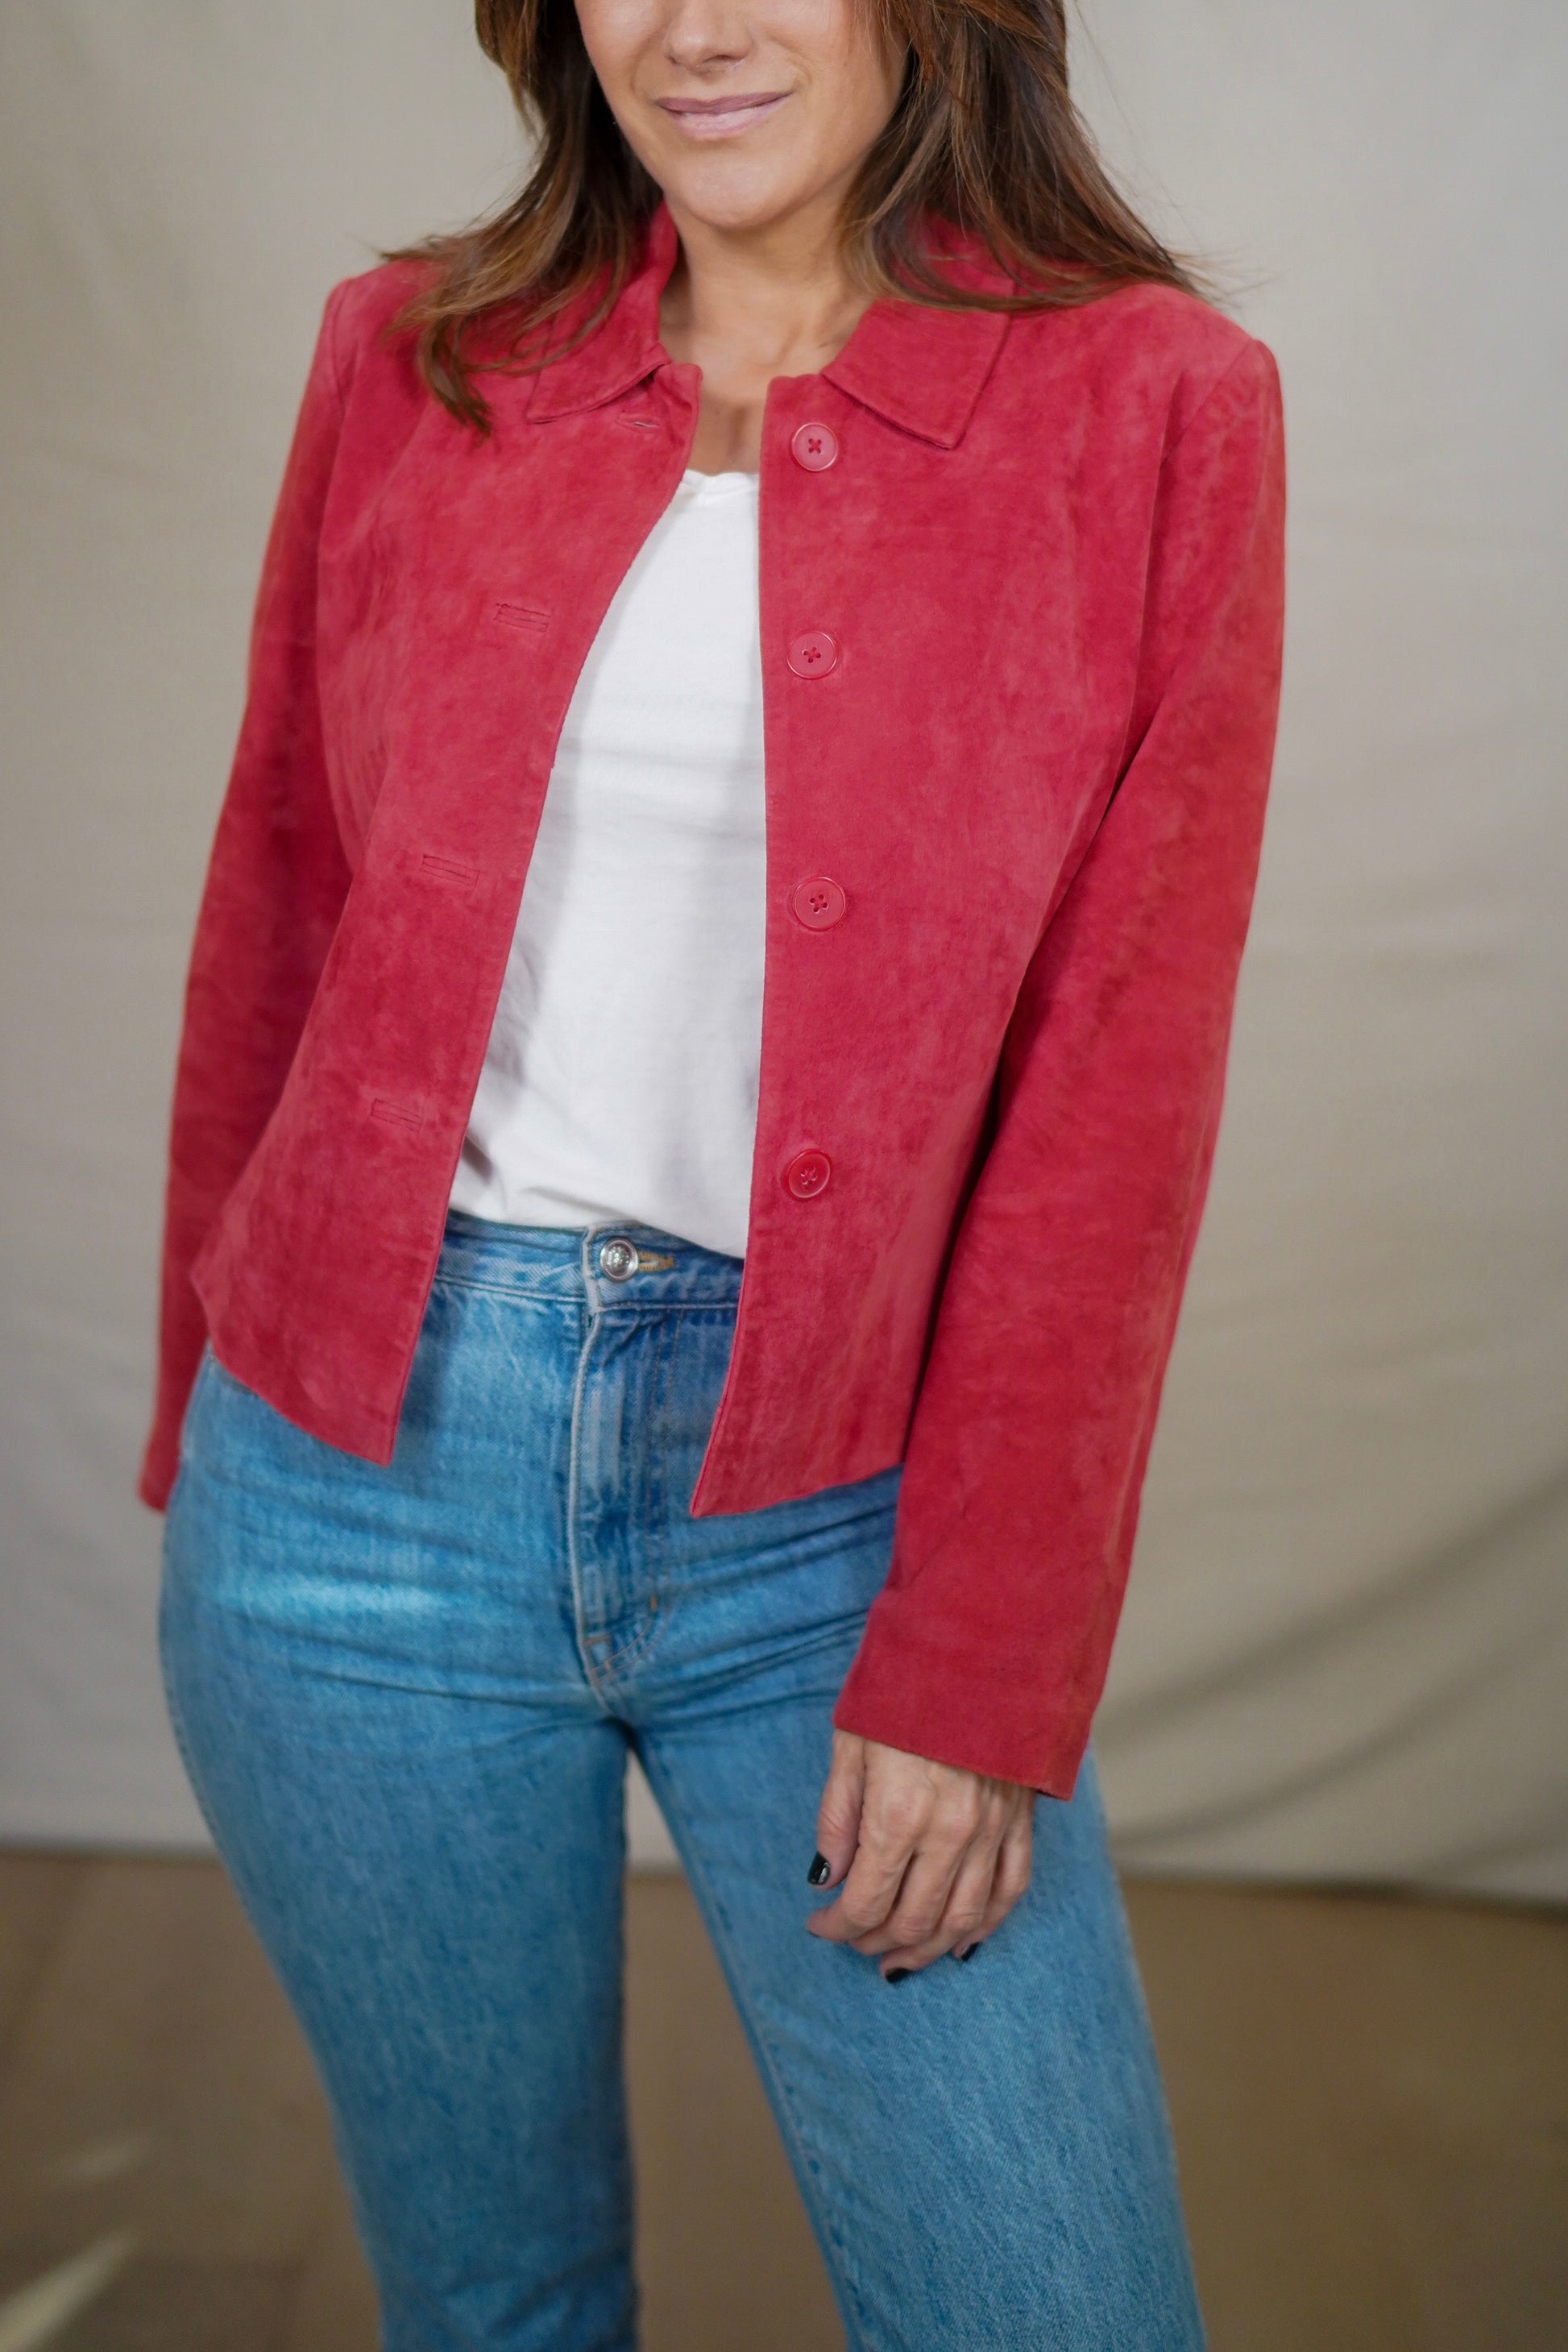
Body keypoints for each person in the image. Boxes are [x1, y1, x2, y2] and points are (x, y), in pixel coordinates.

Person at [143, 0, 1284, 2342]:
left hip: (834, 1516)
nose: (690, 27)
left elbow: (1120, 1089)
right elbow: (280, 892)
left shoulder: (1155, 403)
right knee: (497, 2301)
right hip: (349, 1494)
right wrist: (210, 1420)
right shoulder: (412, 352)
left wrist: (984, 1667)